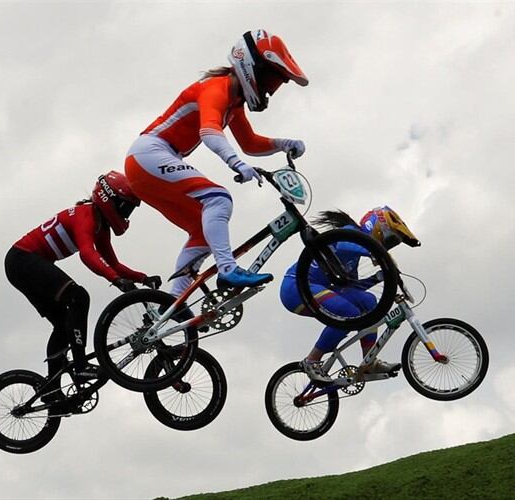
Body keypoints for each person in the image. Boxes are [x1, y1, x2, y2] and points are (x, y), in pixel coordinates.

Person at [125, 29, 309, 297]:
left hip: (149, 165)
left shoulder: (233, 104)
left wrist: (283, 144)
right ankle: (227, 269)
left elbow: (250, 143)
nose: (270, 89)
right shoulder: (217, 88)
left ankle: (172, 304)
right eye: (271, 80)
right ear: (250, 67)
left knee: (203, 231)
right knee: (219, 199)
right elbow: (209, 131)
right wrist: (236, 163)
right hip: (149, 154)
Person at [5, 171, 160, 401]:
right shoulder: (85, 214)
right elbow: (87, 254)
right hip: (22, 260)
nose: (126, 214)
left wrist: (142, 278)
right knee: (78, 297)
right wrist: (115, 280)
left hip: (22, 265)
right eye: (125, 207)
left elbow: (113, 263)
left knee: (63, 325)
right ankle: (79, 367)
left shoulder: (101, 227)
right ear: (109, 199)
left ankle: (51, 390)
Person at [279, 207, 421, 384]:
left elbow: (352, 288)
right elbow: (343, 244)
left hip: (318, 288)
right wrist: (374, 253)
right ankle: (311, 361)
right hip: (295, 288)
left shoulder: (355, 259)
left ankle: (369, 361)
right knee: (349, 312)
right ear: (378, 226)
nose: (387, 246)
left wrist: (379, 278)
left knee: (369, 301)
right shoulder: (349, 233)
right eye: (390, 240)